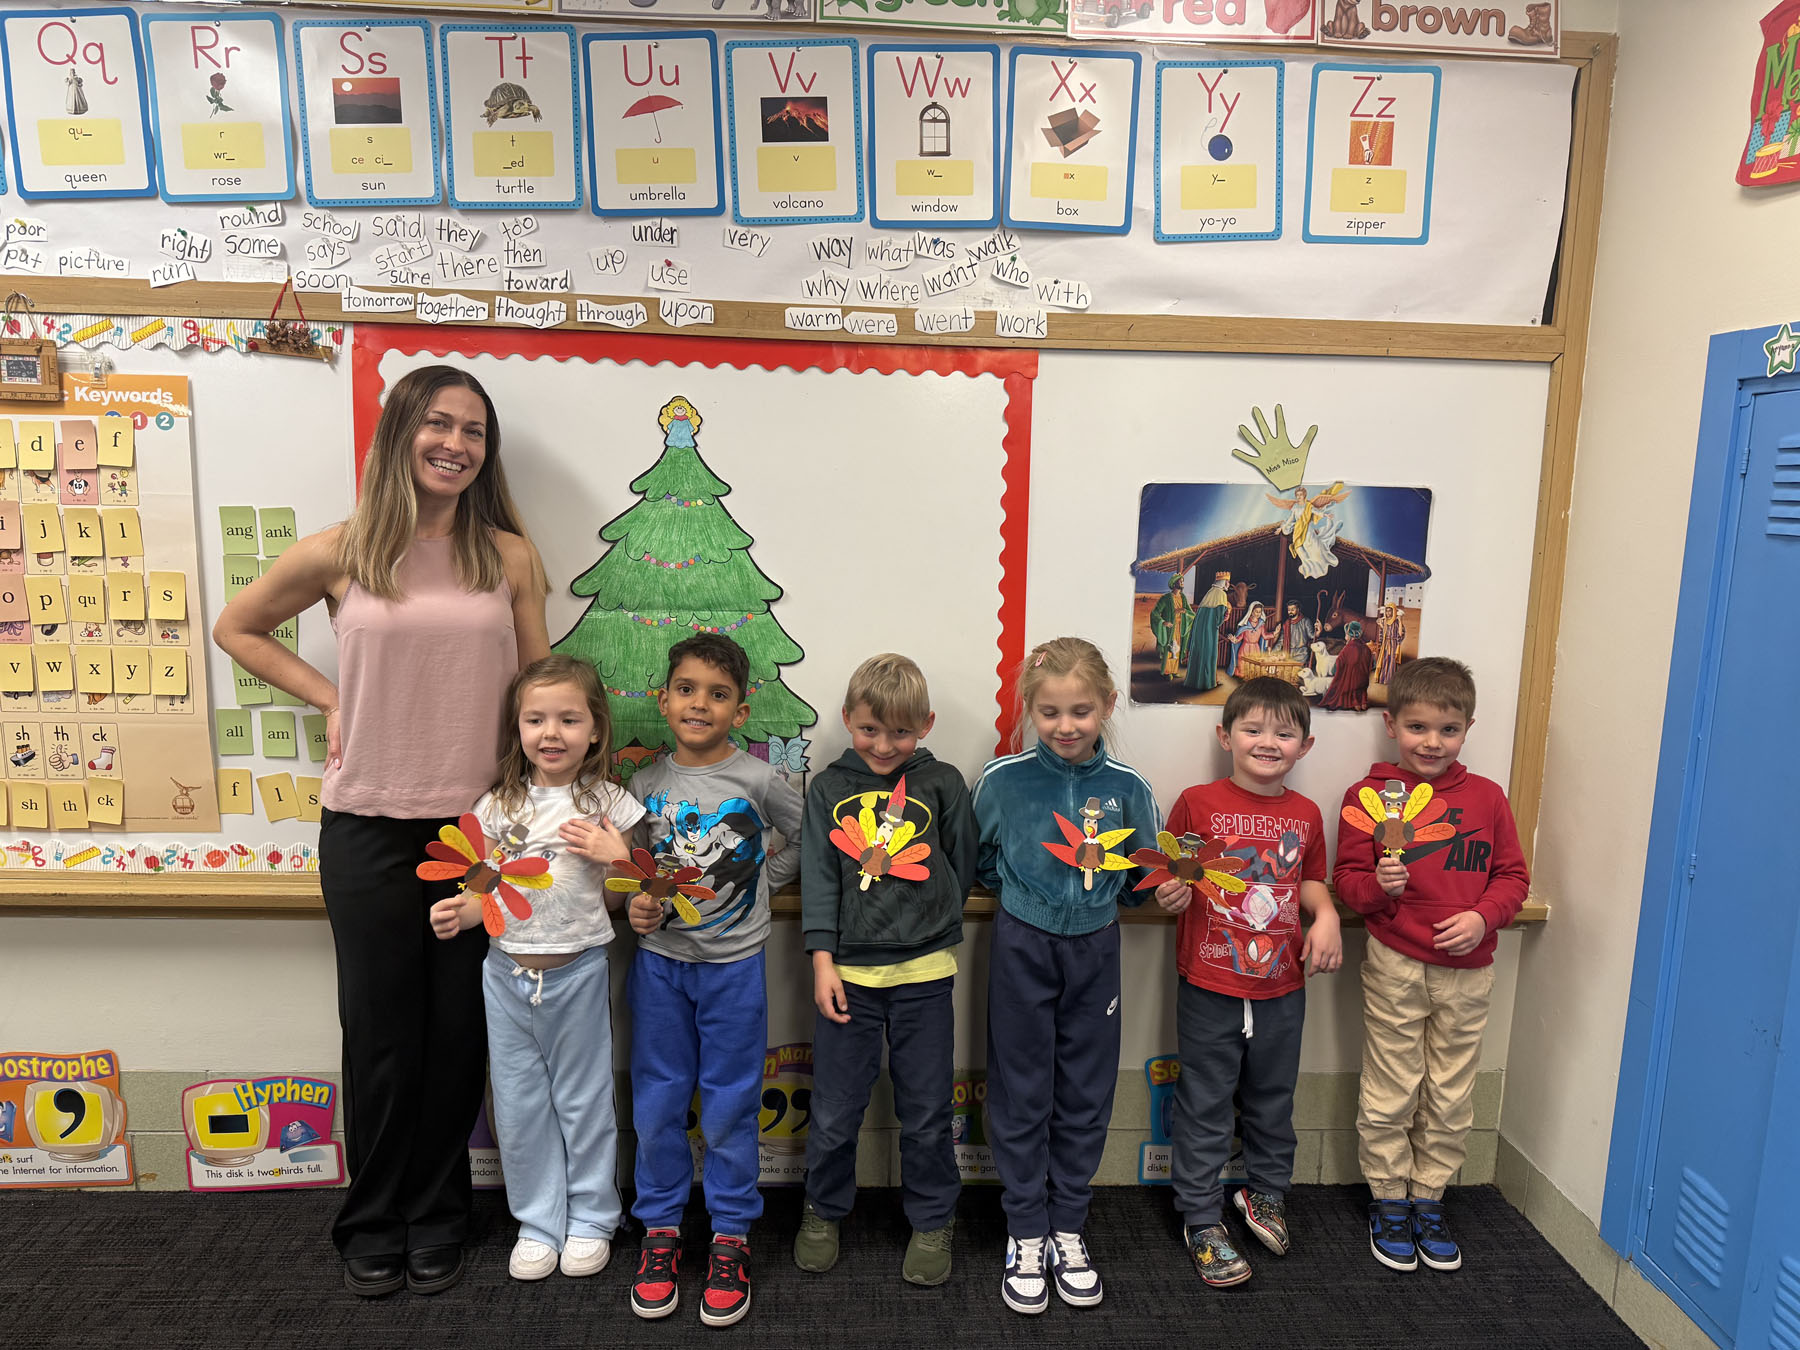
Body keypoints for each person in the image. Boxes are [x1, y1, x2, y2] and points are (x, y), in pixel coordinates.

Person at [212, 364, 549, 1298]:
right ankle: (372, 1218)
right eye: (438, 424)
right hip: (364, 823)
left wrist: (550, 809)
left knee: (458, 1030)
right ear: (400, 433)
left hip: (478, 830)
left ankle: (440, 1213)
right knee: (380, 1032)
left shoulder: (509, 557)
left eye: (474, 431)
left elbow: (538, 690)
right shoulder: (342, 550)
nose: (456, 444)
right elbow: (238, 626)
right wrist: (331, 698)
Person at [427, 656, 639, 1284]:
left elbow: (626, 898)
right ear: (517, 728)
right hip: (505, 976)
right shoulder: (498, 806)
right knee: (519, 1104)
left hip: (578, 975)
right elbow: (485, 888)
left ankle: (593, 1218)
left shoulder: (610, 803)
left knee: (584, 1101)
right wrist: (462, 913)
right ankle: (538, 1222)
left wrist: (617, 855)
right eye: (536, 719)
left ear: (595, 730)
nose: (552, 733)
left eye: (569, 719)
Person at [972, 638, 1160, 1315]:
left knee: (1085, 1090)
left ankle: (1068, 1227)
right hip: (1022, 946)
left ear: (1107, 705)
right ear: (1030, 710)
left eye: (1081, 710)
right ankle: (1026, 1229)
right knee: (1020, 1088)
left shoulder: (1130, 789)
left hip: (1097, 951)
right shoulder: (1003, 780)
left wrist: (1155, 893)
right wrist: (1031, 904)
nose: (1066, 726)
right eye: (1049, 712)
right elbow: (980, 861)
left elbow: (1142, 877)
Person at [624, 634, 804, 1328]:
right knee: (658, 1102)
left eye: (718, 694)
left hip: (734, 970)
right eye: (687, 689)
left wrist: (763, 881)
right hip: (660, 967)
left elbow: (806, 837)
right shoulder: (644, 787)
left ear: (740, 709)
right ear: (664, 699)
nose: (700, 703)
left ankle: (730, 1235)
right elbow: (635, 873)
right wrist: (638, 908)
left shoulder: (759, 780)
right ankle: (661, 1229)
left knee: (730, 1105)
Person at [1333, 658, 1529, 1274]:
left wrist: (1484, 918)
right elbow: (1349, 882)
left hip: (1469, 968)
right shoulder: (1368, 798)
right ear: (1391, 724)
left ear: (1468, 728)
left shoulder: (1487, 798)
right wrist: (1380, 887)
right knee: (1392, 1086)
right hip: (1396, 961)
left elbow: (1512, 877)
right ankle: (1389, 1198)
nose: (1432, 742)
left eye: (1449, 729)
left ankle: (1429, 1196)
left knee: (1450, 1090)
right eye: (1418, 727)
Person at [795, 654, 977, 1285]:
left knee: (927, 1111)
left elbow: (961, 863)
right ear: (848, 719)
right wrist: (823, 961)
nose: (883, 745)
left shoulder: (943, 782)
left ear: (925, 725)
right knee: (835, 1109)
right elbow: (819, 877)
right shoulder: (827, 788)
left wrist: (929, 918)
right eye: (870, 729)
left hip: (926, 975)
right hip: (847, 978)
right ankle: (822, 1210)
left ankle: (933, 1218)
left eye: (900, 732)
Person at [1153, 678, 1341, 1287]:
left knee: (1273, 1099)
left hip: (1283, 986)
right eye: (1252, 729)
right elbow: (1172, 874)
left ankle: (1265, 1193)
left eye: (1284, 733)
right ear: (1224, 736)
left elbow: (1310, 879)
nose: (1267, 742)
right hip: (1209, 982)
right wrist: (1169, 893)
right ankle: (1201, 1218)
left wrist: (1327, 916)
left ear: (1304, 746)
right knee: (1205, 1102)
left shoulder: (1306, 814)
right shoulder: (1196, 803)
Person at [1183, 571, 1232, 692]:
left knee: (1200, 652)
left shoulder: (1210, 592)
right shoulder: (1221, 594)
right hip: (1210, 631)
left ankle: (1196, 681)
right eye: (1227, 582)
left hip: (1200, 630)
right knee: (1209, 653)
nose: (1228, 584)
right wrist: (1225, 617)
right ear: (1222, 582)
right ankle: (1207, 682)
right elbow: (1218, 619)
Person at [1320, 619, 1375, 712]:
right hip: (1363, 681)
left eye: (1346, 634)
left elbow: (1339, 662)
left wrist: (1334, 671)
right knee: (1361, 688)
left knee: (1348, 685)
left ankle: (1354, 703)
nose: (1345, 636)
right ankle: (1363, 703)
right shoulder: (1366, 648)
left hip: (1352, 683)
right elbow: (1372, 664)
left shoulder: (1349, 647)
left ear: (1350, 634)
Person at [1149, 573, 1193, 679]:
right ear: (1174, 584)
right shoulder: (1166, 598)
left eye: (1183, 581)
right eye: (1180, 581)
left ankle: (1174, 670)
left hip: (1179, 627)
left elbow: (1191, 613)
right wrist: (1163, 622)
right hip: (1170, 628)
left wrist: (1184, 611)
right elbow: (1155, 613)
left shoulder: (1183, 597)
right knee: (1170, 648)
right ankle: (1167, 671)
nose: (1182, 583)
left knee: (1177, 649)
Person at [1226, 601, 1268, 677]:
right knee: (1242, 673)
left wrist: (1274, 633)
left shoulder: (1261, 625)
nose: (1258, 614)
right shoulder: (1245, 625)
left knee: (1254, 671)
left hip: (1256, 650)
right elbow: (1239, 638)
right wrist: (1233, 639)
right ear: (1251, 611)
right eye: (1256, 611)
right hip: (1244, 649)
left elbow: (1265, 636)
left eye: (1260, 612)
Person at [1276, 600, 1317, 673]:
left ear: (1298, 609)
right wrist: (1272, 652)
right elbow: (1281, 641)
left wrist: (1318, 632)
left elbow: (1312, 636)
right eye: (1289, 610)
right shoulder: (1286, 624)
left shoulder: (1305, 621)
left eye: (1292, 609)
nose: (1290, 612)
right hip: (1288, 652)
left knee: (1291, 669)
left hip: (1301, 653)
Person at [1375, 603, 1408, 684]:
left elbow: (1400, 634)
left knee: (1392, 662)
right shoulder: (1384, 621)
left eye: (1390, 611)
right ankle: (1383, 679)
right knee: (1384, 660)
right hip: (1385, 644)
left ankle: (1390, 680)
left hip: (1393, 644)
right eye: (1386, 611)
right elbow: (1383, 633)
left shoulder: (1396, 622)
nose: (1388, 613)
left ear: (1393, 611)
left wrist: (1400, 621)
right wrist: (1381, 625)